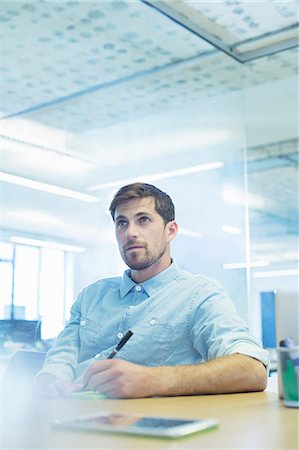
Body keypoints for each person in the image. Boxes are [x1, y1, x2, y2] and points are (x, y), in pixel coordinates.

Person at [35, 182, 269, 398]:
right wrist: (49, 380)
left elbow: (252, 369)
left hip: (152, 430)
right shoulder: (90, 296)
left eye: (143, 220)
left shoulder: (200, 294)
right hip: (74, 422)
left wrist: (154, 379)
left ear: (171, 231)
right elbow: (60, 360)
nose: (130, 233)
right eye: (122, 222)